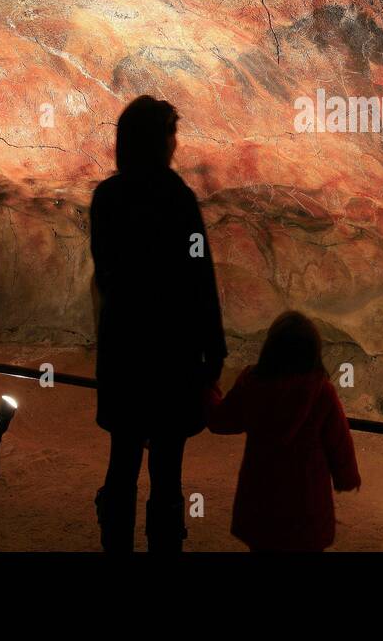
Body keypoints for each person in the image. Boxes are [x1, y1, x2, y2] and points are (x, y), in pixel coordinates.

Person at [89, 95, 227, 552]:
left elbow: (107, 276)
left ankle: (116, 545)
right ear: (158, 139)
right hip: (171, 353)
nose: (175, 142)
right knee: (167, 471)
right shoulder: (177, 198)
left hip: (125, 350)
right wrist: (213, 350)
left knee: (122, 461)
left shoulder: (106, 198)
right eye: (171, 132)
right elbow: (198, 277)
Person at [206, 310, 361, 551]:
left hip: (261, 499)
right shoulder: (321, 391)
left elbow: (221, 421)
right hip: (306, 504)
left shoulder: (252, 385)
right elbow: (339, 441)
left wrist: (209, 390)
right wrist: (346, 477)